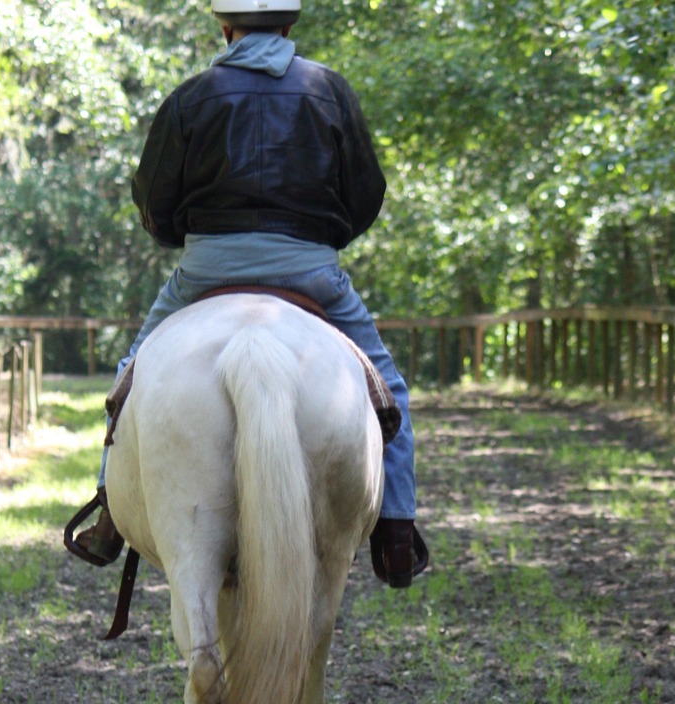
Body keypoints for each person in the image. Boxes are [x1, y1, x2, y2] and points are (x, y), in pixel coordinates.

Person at [68, 0, 427, 588]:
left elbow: (154, 201)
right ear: (288, 26)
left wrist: (175, 232)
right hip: (312, 271)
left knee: (131, 375)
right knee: (390, 390)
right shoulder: (329, 91)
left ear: (225, 27)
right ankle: (394, 531)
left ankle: (110, 512)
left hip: (209, 269)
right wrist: (323, 235)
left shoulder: (191, 97)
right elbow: (366, 194)